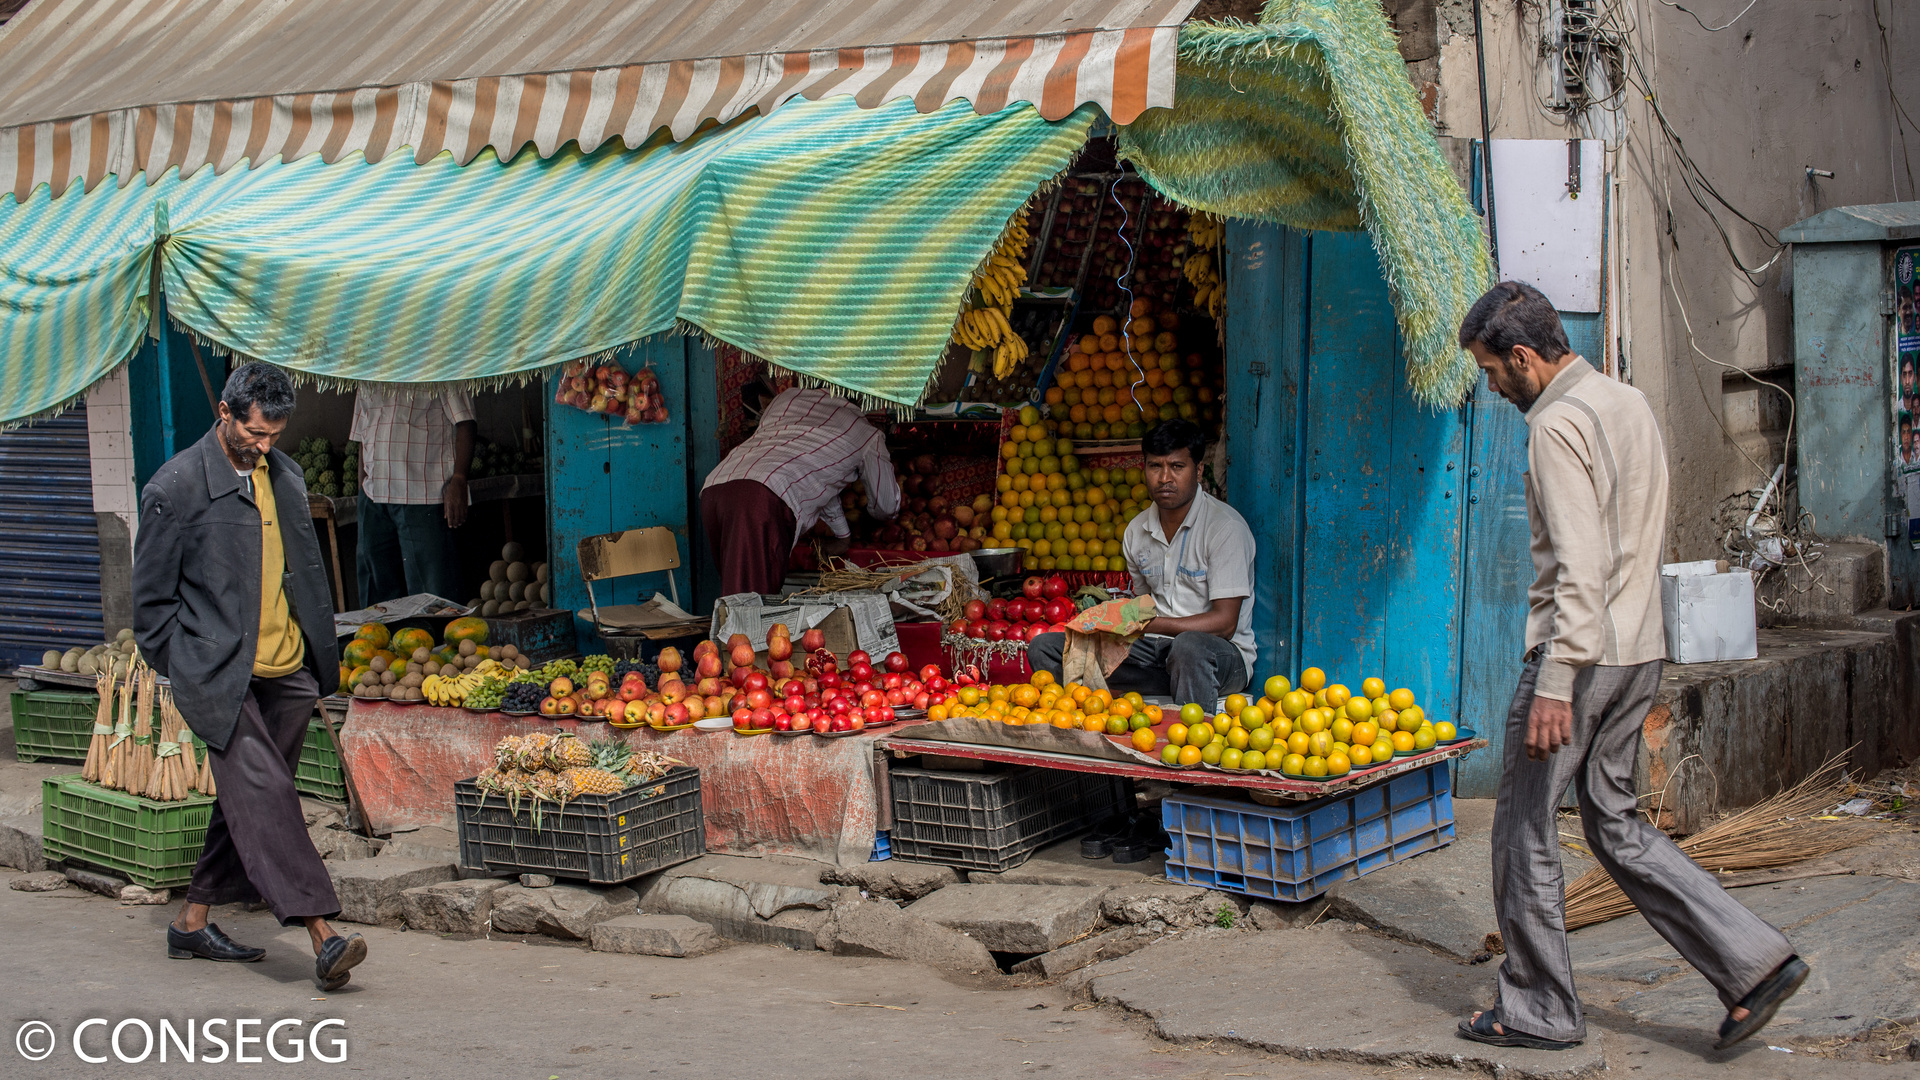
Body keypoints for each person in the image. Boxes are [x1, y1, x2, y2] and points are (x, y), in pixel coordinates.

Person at [1456, 282, 1804, 1053]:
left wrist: (1554, 684)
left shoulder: (1553, 427)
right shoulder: (1626, 401)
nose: (1491, 389)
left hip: (1578, 661)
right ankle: (1753, 963)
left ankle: (1539, 1008)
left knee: (1523, 833)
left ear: (1522, 358)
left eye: (1490, 373)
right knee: (1615, 824)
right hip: (1638, 649)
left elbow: (1580, 568)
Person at [134, 362, 367, 992]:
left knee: (249, 798)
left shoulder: (284, 476)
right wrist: (193, 668)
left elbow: (306, 570)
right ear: (226, 415)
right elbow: (150, 614)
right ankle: (324, 933)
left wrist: (322, 652)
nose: (264, 447)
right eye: (255, 435)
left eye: (274, 435)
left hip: (287, 668)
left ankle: (192, 918)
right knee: (267, 794)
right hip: (220, 678)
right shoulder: (174, 488)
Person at [1027, 419, 1255, 707]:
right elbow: (1145, 603)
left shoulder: (1224, 528)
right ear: (1143, 469)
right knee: (1046, 647)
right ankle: (1078, 727)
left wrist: (1145, 624)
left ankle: (1192, 742)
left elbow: (1225, 623)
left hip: (1221, 657)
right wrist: (1109, 619)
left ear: (1198, 470)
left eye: (1177, 467)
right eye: (1155, 466)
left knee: (1189, 646)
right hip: (1157, 655)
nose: (1164, 478)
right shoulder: (1136, 531)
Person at [700, 384, 901, 596]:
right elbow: (885, 506)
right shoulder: (866, 434)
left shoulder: (786, 399)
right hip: (760, 499)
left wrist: (842, 535)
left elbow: (816, 475)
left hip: (716, 486)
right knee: (750, 606)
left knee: (739, 596)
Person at [351, 385, 476, 604]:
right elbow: (362, 433)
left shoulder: (438, 363)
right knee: (377, 594)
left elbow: (465, 423)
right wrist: (362, 489)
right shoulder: (367, 372)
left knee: (433, 595)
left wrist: (459, 479)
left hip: (423, 496)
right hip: (374, 496)